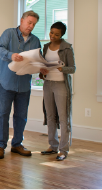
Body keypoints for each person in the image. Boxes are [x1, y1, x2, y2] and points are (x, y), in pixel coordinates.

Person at [0, 10, 42, 159]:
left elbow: (38, 59)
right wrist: (11, 55)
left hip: (24, 84)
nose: (31, 26)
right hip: (6, 82)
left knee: (21, 116)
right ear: (22, 20)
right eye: (29, 22)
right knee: (3, 114)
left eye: (34, 24)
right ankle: (0, 146)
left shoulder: (35, 40)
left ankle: (17, 144)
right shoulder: (8, 33)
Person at [39, 22, 76, 161]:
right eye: (51, 32)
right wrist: (42, 72)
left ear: (62, 35)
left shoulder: (67, 48)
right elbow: (43, 64)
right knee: (50, 116)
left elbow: (73, 68)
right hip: (48, 84)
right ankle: (52, 146)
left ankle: (63, 150)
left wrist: (62, 68)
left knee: (63, 117)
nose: (52, 36)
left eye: (56, 34)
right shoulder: (46, 47)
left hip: (61, 85)